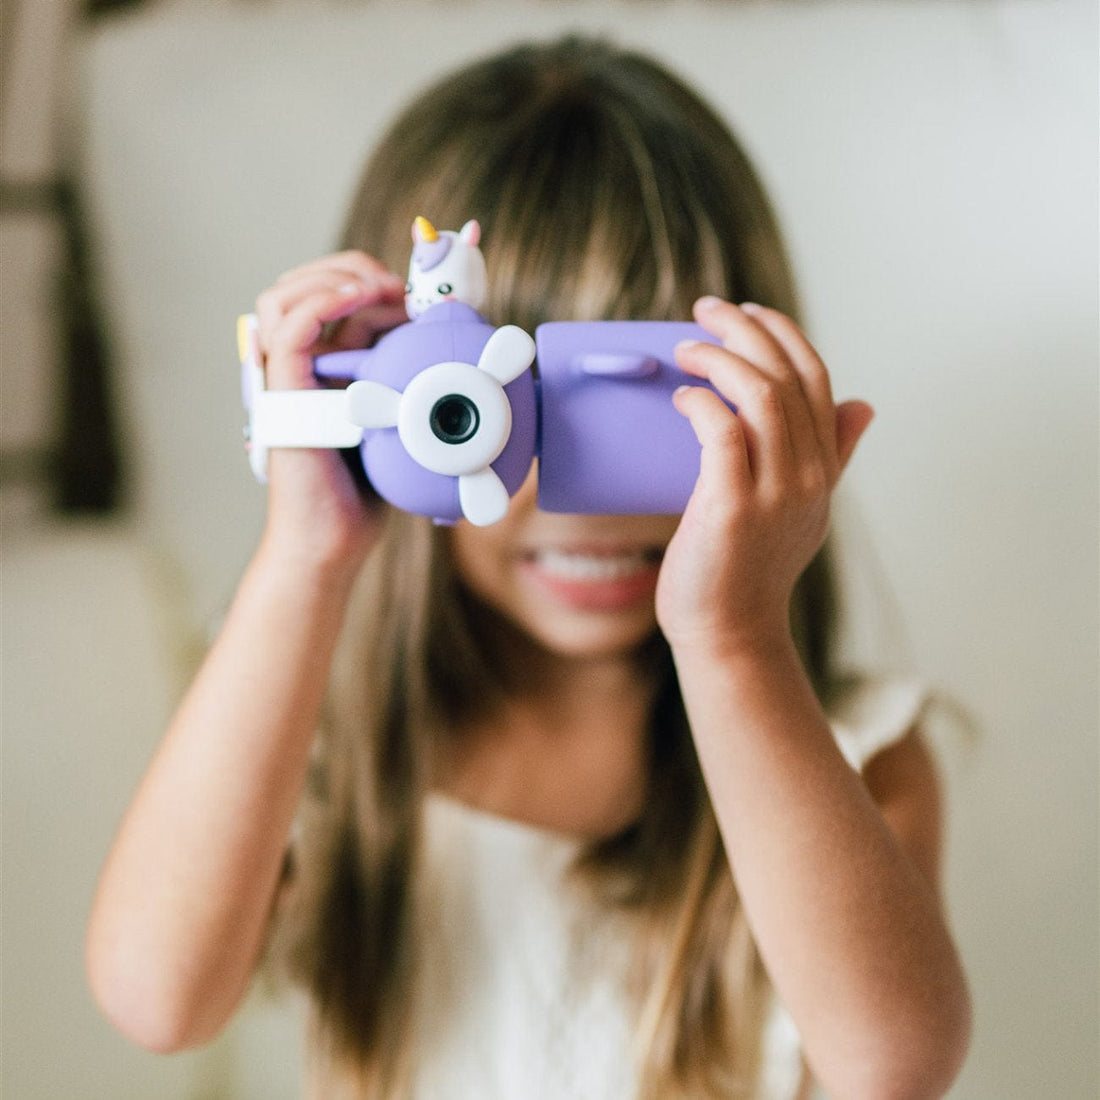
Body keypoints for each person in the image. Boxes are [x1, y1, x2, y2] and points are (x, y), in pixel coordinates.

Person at [85, 36, 971, 1100]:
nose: (569, 489)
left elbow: (893, 1069)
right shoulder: (323, 722)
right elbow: (156, 998)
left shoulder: (854, 747)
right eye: (485, 413)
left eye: (634, 401)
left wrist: (731, 641)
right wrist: (305, 552)